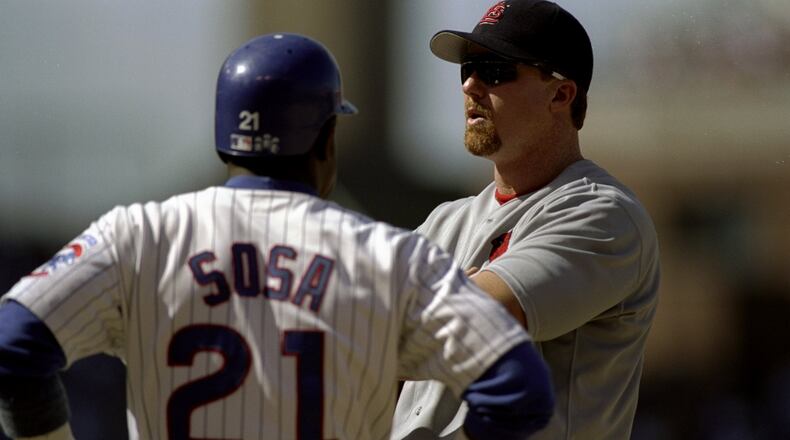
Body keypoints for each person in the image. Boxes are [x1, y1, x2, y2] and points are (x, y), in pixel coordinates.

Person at [0, 33, 555, 440]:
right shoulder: (390, 256)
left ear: (225, 139)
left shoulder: (138, 234)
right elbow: (518, 388)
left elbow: (13, 345)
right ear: (325, 142)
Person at [392, 1, 661, 439]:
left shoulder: (605, 213)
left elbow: (474, 318)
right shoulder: (445, 221)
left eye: (496, 70)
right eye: (467, 69)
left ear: (561, 93)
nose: (471, 86)